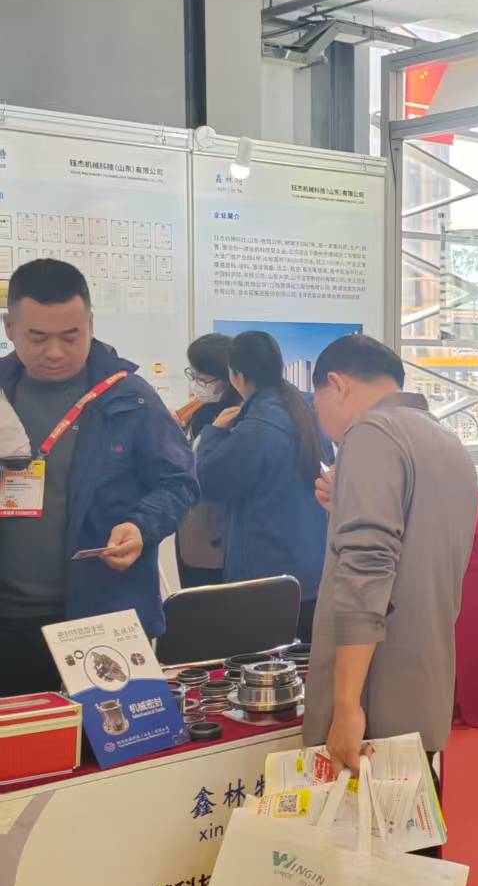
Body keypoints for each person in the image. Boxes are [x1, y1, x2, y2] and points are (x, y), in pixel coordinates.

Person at [282, 332, 478, 886]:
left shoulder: (368, 437)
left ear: (336, 388)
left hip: (379, 721)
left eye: (320, 406)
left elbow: (366, 568)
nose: (324, 423)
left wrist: (346, 705)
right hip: (420, 709)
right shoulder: (438, 440)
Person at [0, 258, 198, 697]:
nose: (55, 352)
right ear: (10, 327)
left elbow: (180, 482)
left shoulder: (129, 398)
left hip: (101, 616)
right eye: (38, 337)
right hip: (9, 623)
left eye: (71, 336)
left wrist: (142, 526)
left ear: (90, 324)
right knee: (19, 739)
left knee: (110, 736)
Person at [193, 331, 329, 641]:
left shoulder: (257, 427)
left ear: (236, 376)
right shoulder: (306, 408)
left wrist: (213, 433)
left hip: (266, 574)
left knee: (260, 663)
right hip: (309, 566)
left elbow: (209, 481)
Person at [174, 333, 241, 588]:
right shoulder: (199, 408)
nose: (197, 384)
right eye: (193, 374)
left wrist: (212, 434)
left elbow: (209, 472)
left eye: (202, 378)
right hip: (191, 529)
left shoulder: (238, 416)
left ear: (228, 378)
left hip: (217, 540)